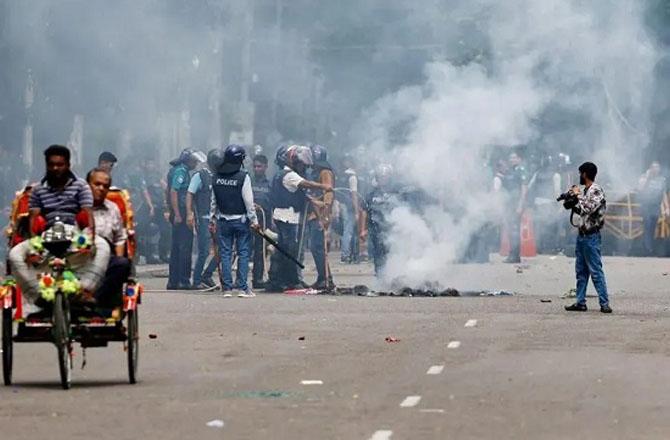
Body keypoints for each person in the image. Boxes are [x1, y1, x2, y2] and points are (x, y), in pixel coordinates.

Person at [8, 145, 110, 308]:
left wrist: (88, 239)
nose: (55, 168)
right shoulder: (38, 190)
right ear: (47, 165)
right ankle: (38, 296)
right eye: (51, 164)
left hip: (74, 234)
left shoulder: (81, 186)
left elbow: (87, 215)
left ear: (68, 165)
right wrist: (34, 247)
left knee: (103, 246)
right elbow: (34, 219)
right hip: (46, 235)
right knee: (15, 254)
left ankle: (84, 290)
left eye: (60, 164)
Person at [267, 145, 332, 291]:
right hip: (288, 217)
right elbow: (306, 184)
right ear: (294, 162)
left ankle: (277, 280)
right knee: (290, 251)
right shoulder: (290, 175)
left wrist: (316, 203)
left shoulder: (281, 174)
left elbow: (301, 194)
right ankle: (291, 281)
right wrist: (324, 187)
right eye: (301, 165)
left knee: (283, 250)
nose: (304, 168)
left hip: (283, 216)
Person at [209, 145, 260, 297]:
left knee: (225, 253)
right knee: (243, 253)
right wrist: (254, 221)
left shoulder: (216, 176)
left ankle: (227, 289)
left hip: (223, 220)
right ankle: (243, 288)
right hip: (241, 221)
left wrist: (212, 219)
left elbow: (213, 201)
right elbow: (249, 202)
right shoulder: (243, 176)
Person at [564, 162, 612, 314]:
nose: (579, 176)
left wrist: (577, 195)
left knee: (595, 271)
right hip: (582, 236)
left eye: (580, 173)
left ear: (584, 174)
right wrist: (571, 203)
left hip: (592, 237)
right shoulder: (586, 191)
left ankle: (604, 304)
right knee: (581, 271)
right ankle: (580, 302)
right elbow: (582, 211)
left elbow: (589, 208)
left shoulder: (596, 190)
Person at [87, 168, 131, 311]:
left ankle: (94, 301)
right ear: (88, 185)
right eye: (97, 184)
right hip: (81, 257)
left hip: (107, 256)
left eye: (105, 186)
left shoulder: (113, 208)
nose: (101, 189)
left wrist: (118, 260)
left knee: (123, 264)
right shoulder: (76, 207)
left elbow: (119, 238)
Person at [165, 148, 199, 290]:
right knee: (185, 247)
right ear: (188, 160)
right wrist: (178, 214)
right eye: (194, 161)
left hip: (179, 212)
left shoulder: (178, 170)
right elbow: (174, 191)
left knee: (177, 247)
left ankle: (173, 281)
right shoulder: (181, 171)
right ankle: (183, 280)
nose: (196, 163)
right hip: (182, 212)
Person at [185, 151, 217, 289]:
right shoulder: (200, 176)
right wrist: (189, 213)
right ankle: (197, 281)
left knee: (223, 250)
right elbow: (190, 194)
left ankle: (207, 274)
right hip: (203, 218)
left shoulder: (219, 176)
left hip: (218, 219)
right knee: (204, 250)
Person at [307, 144, 335, 289]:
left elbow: (328, 193)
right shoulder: (316, 171)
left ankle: (325, 279)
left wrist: (324, 215)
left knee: (318, 247)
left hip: (319, 214)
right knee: (316, 247)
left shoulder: (325, 172)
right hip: (314, 214)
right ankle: (323, 277)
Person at [365, 164, 396, 276]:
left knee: (391, 253)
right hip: (375, 229)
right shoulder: (371, 194)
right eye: (381, 176)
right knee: (378, 254)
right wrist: (363, 229)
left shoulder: (396, 193)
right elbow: (364, 211)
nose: (383, 179)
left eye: (385, 176)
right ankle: (380, 277)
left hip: (391, 229)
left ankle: (393, 274)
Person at [502, 150, 528, 263]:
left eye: (514, 157)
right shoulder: (510, 171)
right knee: (510, 229)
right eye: (510, 158)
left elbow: (523, 189)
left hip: (517, 204)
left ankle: (515, 255)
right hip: (510, 204)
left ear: (519, 159)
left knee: (514, 229)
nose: (512, 160)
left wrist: (520, 205)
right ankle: (512, 253)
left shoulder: (521, 171)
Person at [637, 161, 668, 256]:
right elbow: (640, 189)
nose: (656, 169)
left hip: (656, 206)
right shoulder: (644, 177)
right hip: (646, 205)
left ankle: (648, 247)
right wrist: (647, 177)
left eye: (657, 167)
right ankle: (648, 250)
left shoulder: (662, 180)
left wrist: (667, 207)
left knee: (652, 227)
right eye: (654, 167)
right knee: (647, 225)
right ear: (650, 169)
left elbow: (664, 194)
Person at [250, 154, 271, 288]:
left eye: (260, 166)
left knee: (261, 250)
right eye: (255, 166)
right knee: (243, 250)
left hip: (264, 221)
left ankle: (257, 279)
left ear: (265, 167)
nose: (257, 169)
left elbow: (273, 202)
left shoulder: (270, 184)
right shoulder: (248, 181)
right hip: (249, 220)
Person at [339, 154, 360, 264]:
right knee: (349, 231)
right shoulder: (352, 177)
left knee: (346, 230)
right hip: (349, 207)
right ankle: (346, 254)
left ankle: (348, 254)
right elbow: (354, 194)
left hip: (341, 205)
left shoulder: (341, 176)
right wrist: (357, 211)